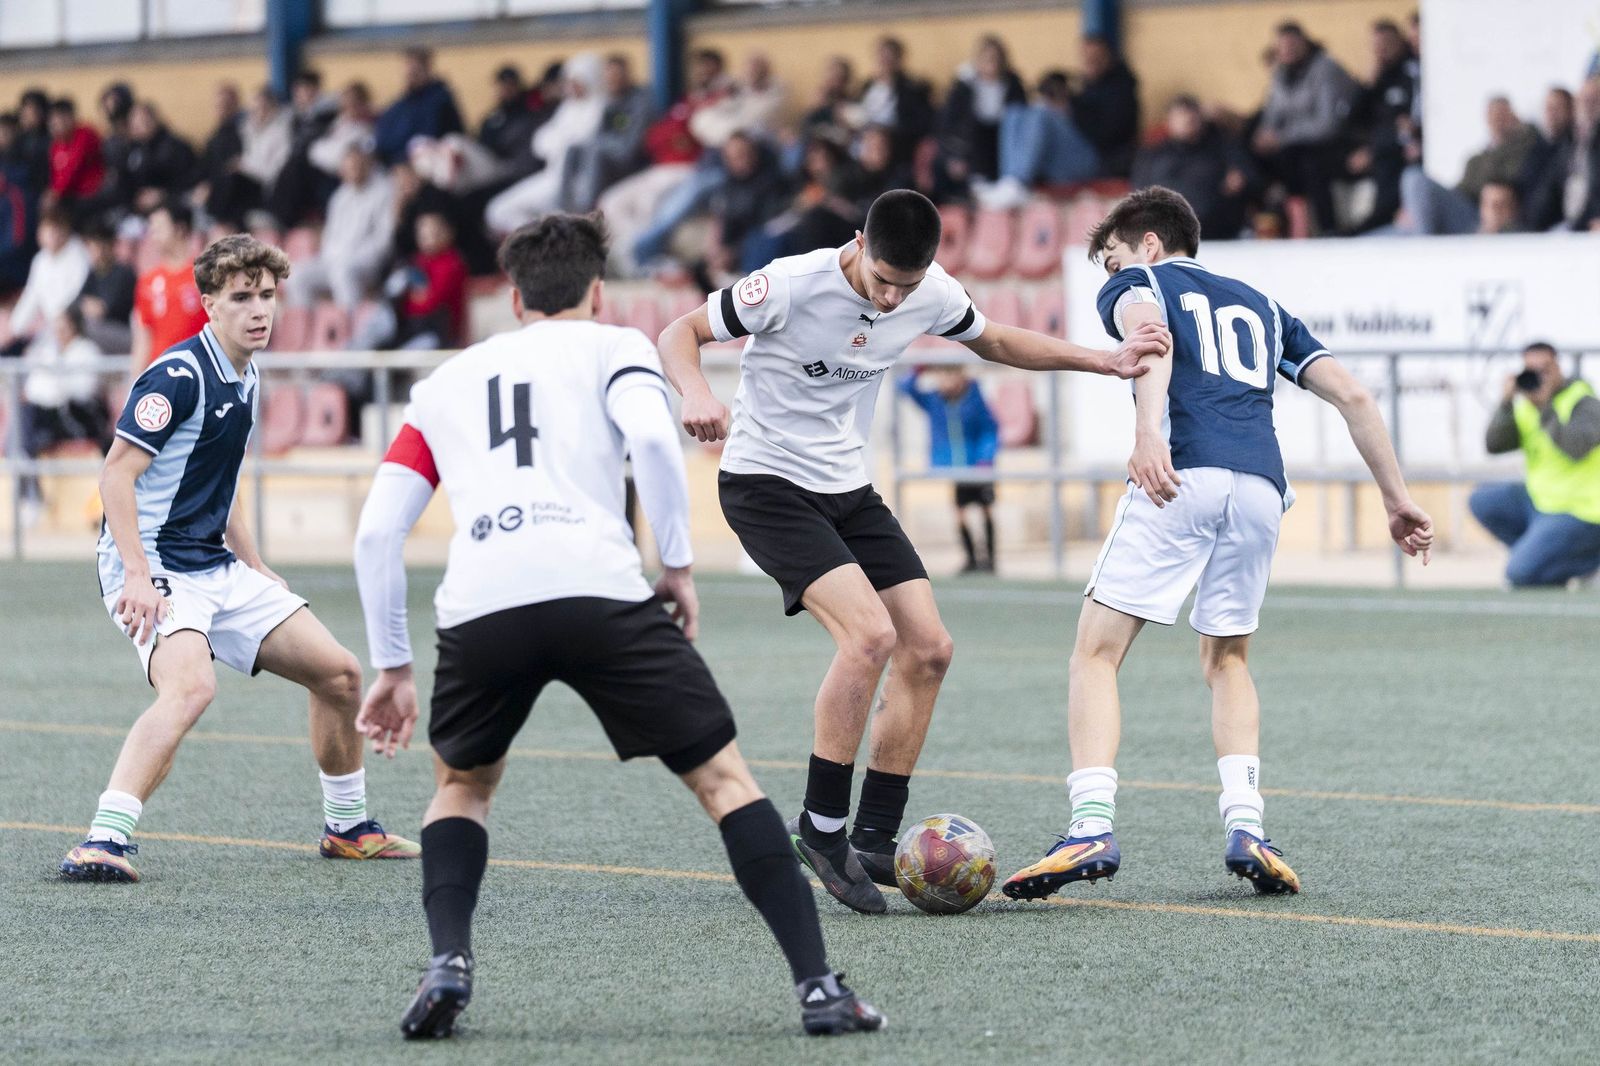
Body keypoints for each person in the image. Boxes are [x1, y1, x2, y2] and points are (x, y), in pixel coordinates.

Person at [350, 214, 885, 1041]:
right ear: (597, 291)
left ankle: (449, 962)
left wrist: (392, 664)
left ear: (514, 297)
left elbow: (379, 530)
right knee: (724, 783)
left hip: (482, 603)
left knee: (461, 788)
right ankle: (819, 988)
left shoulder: (446, 383)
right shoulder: (616, 347)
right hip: (598, 589)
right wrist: (675, 566)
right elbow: (651, 439)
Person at [657, 189, 1168, 914]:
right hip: (765, 484)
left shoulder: (930, 292)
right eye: (884, 280)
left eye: (909, 283)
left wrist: (1102, 360)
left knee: (928, 648)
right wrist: (694, 391)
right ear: (858, 244)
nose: (895, 299)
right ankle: (822, 828)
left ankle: (872, 837)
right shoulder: (789, 283)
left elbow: (993, 340)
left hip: (847, 488)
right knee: (869, 637)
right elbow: (679, 330)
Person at [1001, 186, 1434, 903]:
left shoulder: (1138, 282)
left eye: (1111, 259)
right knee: (1227, 657)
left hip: (1185, 471)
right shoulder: (1262, 304)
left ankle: (1090, 824)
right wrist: (1397, 497)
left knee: (1096, 651)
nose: (1110, 277)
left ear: (1147, 243)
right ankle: (1247, 826)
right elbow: (1354, 395)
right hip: (1262, 489)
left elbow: (1151, 342)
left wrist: (1148, 434)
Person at [58, 234, 419, 884]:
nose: (260, 310)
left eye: (268, 296)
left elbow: (220, 484)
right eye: (241, 297)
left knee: (338, 674)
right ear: (208, 304)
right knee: (192, 686)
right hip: (155, 566)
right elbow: (115, 476)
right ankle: (103, 839)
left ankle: (347, 828)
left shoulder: (247, 373)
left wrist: (255, 563)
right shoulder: (176, 376)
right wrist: (137, 576)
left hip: (216, 566)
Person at [1469, 342, 1600, 587]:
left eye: (1545, 369)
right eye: (1531, 370)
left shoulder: (1584, 400)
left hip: (1581, 512)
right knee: (1482, 499)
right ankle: (1546, 559)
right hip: (1539, 503)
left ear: (1559, 367)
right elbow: (1494, 445)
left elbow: (1576, 448)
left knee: (1518, 574)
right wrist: (1506, 404)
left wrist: (1545, 408)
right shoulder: (1526, 404)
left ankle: (1589, 561)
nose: (1538, 376)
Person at [1251, 22, 1358, 234]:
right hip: (1295, 145)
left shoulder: (1326, 69)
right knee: (1251, 156)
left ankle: (1327, 228)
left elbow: (1328, 125)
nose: (1287, 50)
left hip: (1337, 141)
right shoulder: (1280, 75)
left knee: (1306, 161)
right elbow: (1271, 114)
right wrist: (1265, 135)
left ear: (1305, 44)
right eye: (1282, 46)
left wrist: (1281, 137)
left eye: (1292, 44)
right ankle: (1265, 225)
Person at [899, 366, 1000, 573]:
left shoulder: (975, 399)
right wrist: (919, 369)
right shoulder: (934, 401)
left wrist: (985, 458)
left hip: (977, 465)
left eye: (951, 376)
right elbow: (903, 387)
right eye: (942, 376)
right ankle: (971, 559)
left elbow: (990, 429)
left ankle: (990, 560)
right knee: (960, 511)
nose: (946, 381)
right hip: (955, 467)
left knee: (986, 509)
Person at [285, 144, 393, 315]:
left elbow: (383, 241)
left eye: (358, 165)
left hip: (365, 262)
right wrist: (331, 257)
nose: (354, 171)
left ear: (368, 164)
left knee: (343, 272)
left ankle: (350, 330)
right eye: (349, 167)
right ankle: (307, 331)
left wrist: (347, 258)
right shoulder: (340, 196)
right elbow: (330, 236)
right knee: (296, 276)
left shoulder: (384, 192)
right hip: (333, 260)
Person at [1131, 96, 1255, 239]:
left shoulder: (1223, 148)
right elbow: (1139, 191)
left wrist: (1240, 179)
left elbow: (1252, 177)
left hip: (1217, 231)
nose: (1187, 123)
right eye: (1180, 118)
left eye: (1191, 119)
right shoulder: (1153, 155)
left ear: (1200, 120)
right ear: (1169, 121)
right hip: (1167, 233)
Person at [975, 71, 1101, 209]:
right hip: (1053, 168)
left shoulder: (1081, 104)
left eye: (1052, 93)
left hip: (1087, 160)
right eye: (1044, 94)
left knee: (1040, 113)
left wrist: (1066, 112)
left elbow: (1104, 135)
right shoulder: (1041, 117)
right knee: (1013, 112)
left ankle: (1018, 182)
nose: (1047, 99)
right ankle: (1009, 181)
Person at [131, 201, 208, 375]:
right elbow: (143, 339)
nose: (152, 234)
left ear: (180, 229)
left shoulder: (205, 277)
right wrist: (136, 384)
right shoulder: (147, 282)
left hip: (200, 376)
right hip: (162, 379)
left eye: (159, 228)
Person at [374, 47, 464, 167]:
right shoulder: (401, 103)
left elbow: (428, 136)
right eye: (408, 70)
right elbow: (383, 136)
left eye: (415, 71)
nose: (410, 75)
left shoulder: (440, 100)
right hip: (396, 165)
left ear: (427, 69)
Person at [1071, 35, 1141, 179]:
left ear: (1109, 57)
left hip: (1101, 158)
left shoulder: (1121, 91)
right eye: (1086, 58)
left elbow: (1105, 136)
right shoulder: (1085, 88)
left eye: (1096, 57)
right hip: (1082, 153)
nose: (1091, 62)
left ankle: (1019, 179)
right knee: (1020, 113)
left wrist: (1070, 110)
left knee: (1043, 115)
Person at [74, 221, 136, 354]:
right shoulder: (93, 273)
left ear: (111, 245)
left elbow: (106, 309)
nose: (97, 251)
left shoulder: (123, 272)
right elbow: (76, 302)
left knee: (88, 327)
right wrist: (86, 306)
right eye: (92, 246)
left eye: (101, 245)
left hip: (123, 334)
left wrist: (90, 306)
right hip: (102, 332)